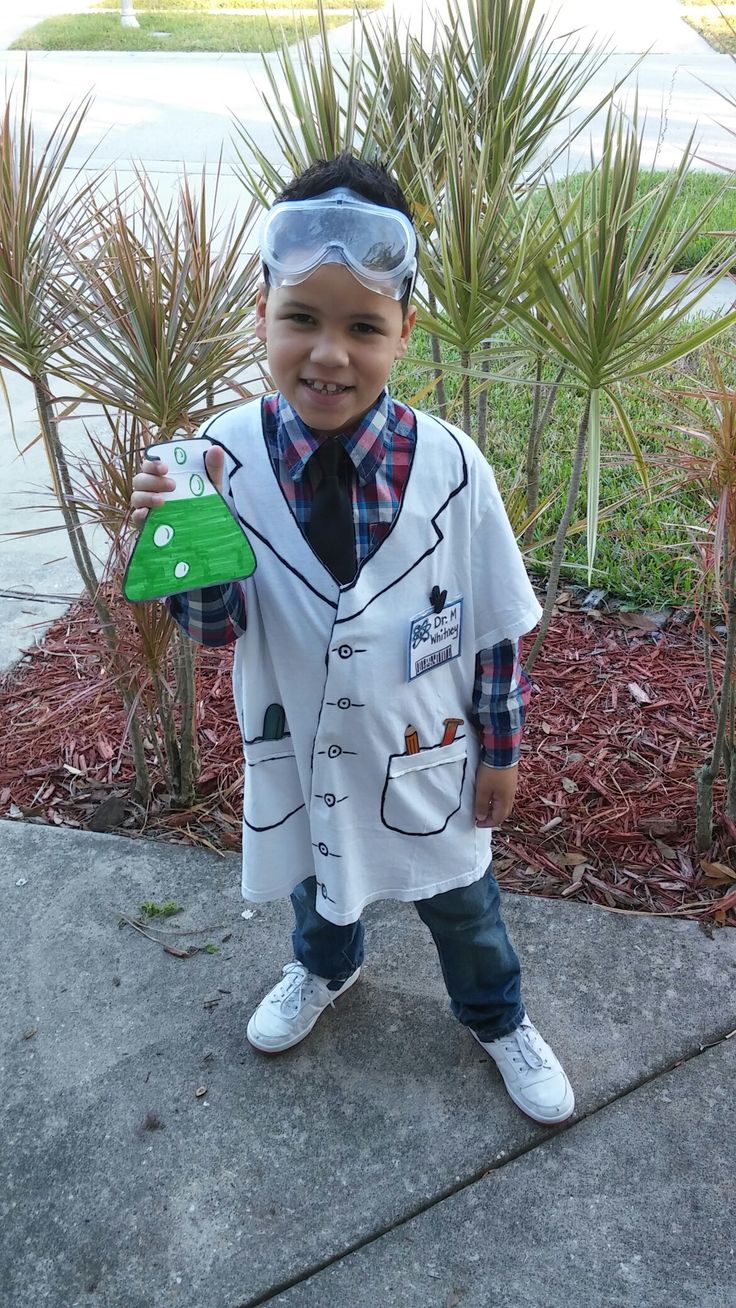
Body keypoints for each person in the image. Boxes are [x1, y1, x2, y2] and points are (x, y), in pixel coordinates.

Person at [130, 153, 574, 1125]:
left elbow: (493, 626)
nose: (328, 354)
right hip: (301, 752)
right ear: (260, 316)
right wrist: (179, 542)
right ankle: (324, 971)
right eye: (301, 320)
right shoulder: (221, 458)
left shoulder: (455, 471)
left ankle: (497, 1018)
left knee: (462, 904)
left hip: (428, 757)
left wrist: (499, 751)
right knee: (315, 882)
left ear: (405, 332)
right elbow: (218, 631)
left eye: (362, 328)